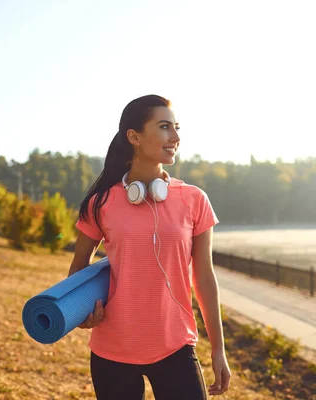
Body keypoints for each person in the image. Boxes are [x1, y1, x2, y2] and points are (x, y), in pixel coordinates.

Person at [69, 94, 231, 399]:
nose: (176, 137)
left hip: (175, 346)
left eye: (176, 127)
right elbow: (79, 267)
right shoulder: (101, 203)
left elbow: (205, 278)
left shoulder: (194, 200)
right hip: (112, 350)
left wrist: (219, 350)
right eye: (165, 127)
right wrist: (79, 312)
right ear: (134, 137)